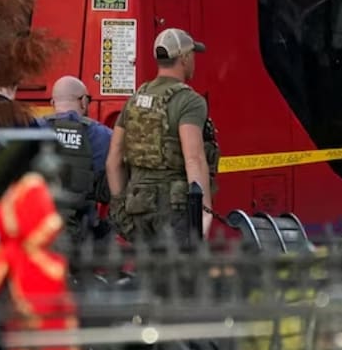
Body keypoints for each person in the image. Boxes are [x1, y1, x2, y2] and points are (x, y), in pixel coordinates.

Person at [106, 28, 220, 243]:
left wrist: (120, 204)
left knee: (147, 273)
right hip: (173, 208)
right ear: (184, 58)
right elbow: (194, 158)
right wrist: (204, 212)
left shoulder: (135, 99)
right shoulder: (189, 101)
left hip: (137, 205)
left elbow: (114, 160)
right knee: (177, 274)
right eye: (193, 54)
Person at [38, 76, 113, 243]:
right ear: (84, 101)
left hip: (41, 229)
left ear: (52, 103)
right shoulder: (103, 135)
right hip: (82, 233)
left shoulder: (34, 129)